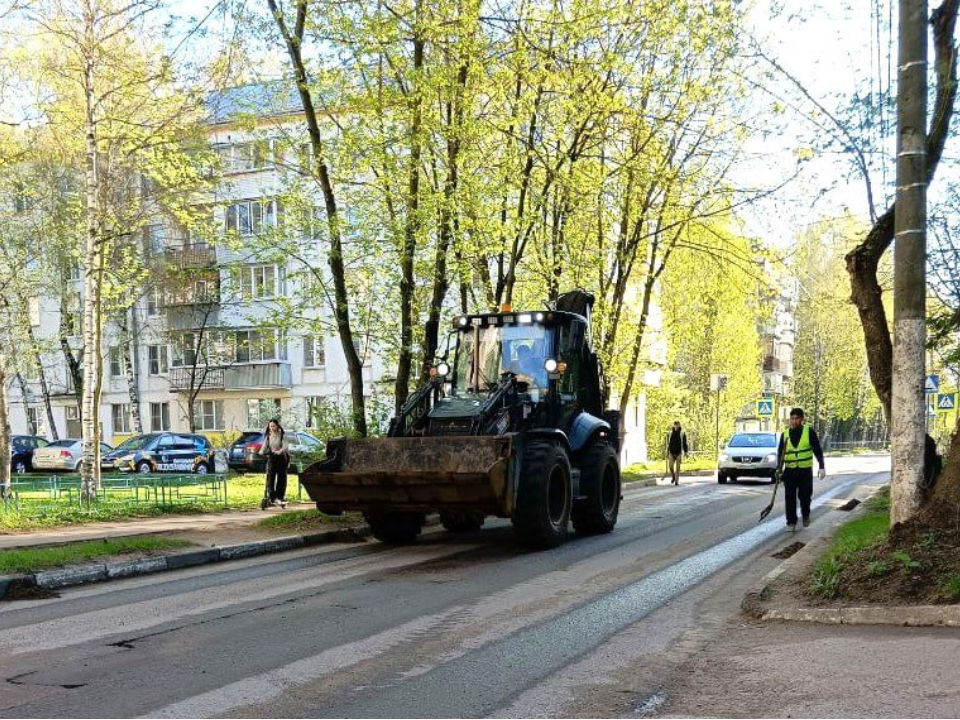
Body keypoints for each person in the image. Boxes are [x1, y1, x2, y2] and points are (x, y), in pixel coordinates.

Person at [776, 408, 826, 532]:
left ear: (802, 419)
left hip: (804, 471)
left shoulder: (809, 432)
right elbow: (780, 453)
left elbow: (817, 450)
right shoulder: (785, 434)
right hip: (790, 471)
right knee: (790, 498)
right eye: (792, 418)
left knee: (805, 496)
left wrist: (821, 466)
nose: (794, 421)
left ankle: (805, 514)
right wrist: (779, 469)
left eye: (797, 418)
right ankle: (791, 522)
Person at [260, 419, 290, 509]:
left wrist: (279, 451)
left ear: (277, 426)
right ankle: (272, 497)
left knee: (281, 477)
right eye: (270, 426)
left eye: (273, 426)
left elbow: (285, 446)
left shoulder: (282, 436)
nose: (272, 428)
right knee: (270, 477)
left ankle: (280, 496)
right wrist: (261, 452)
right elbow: (263, 447)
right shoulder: (268, 437)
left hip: (281, 458)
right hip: (272, 458)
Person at [667, 421, 689, 485]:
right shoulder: (670, 433)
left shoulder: (682, 433)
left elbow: (685, 443)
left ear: (679, 425)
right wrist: (667, 451)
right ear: (673, 425)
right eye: (675, 425)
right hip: (671, 452)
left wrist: (686, 452)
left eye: (677, 425)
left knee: (677, 467)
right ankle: (673, 476)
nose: (676, 426)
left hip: (679, 452)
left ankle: (676, 481)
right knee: (670, 466)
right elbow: (669, 443)